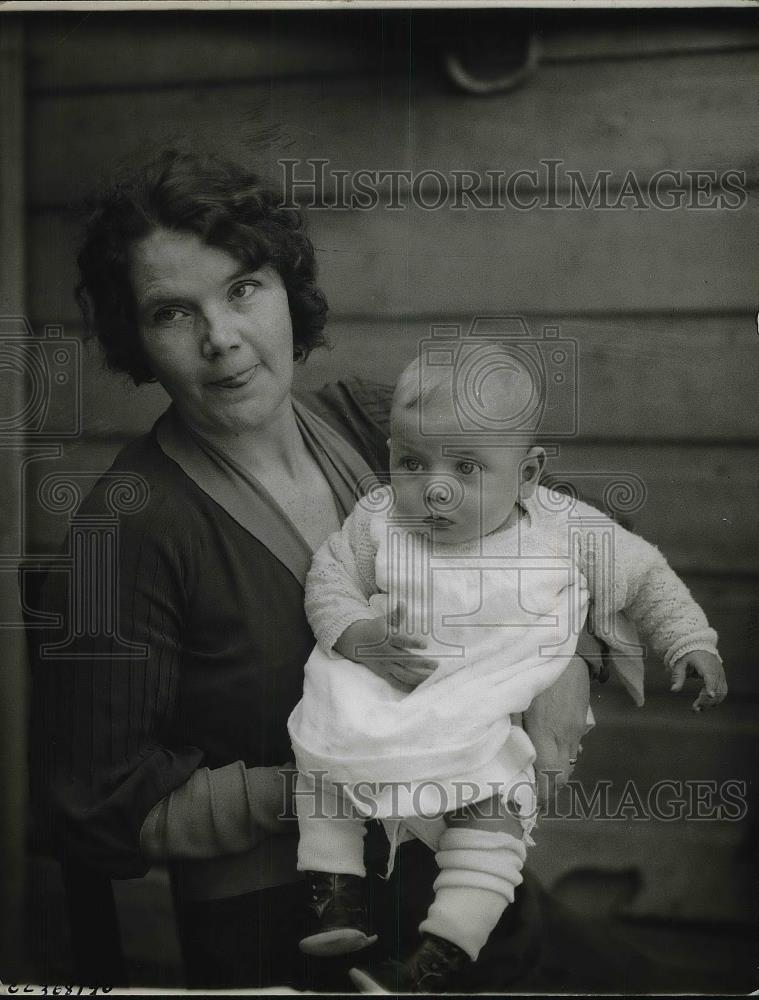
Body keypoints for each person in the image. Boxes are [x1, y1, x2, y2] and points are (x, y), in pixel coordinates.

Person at [29, 150, 595, 992]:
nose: (220, 338)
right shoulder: (129, 529)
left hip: (463, 882)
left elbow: (580, 530)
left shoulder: (375, 427)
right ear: (136, 339)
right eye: (172, 313)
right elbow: (103, 806)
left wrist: (569, 667)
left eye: (243, 288)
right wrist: (334, 776)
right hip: (290, 928)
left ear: (288, 290)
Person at [287, 352, 728, 992]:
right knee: (324, 752)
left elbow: (644, 576)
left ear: (527, 473)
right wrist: (355, 632)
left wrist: (688, 638)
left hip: (489, 710)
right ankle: (334, 894)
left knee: (493, 823)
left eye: (466, 468)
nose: (434, 489)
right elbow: (329, 580)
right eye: (412, 464)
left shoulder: (560, 525)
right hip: (390, 688)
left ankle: (439, 956)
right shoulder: (379, 519)